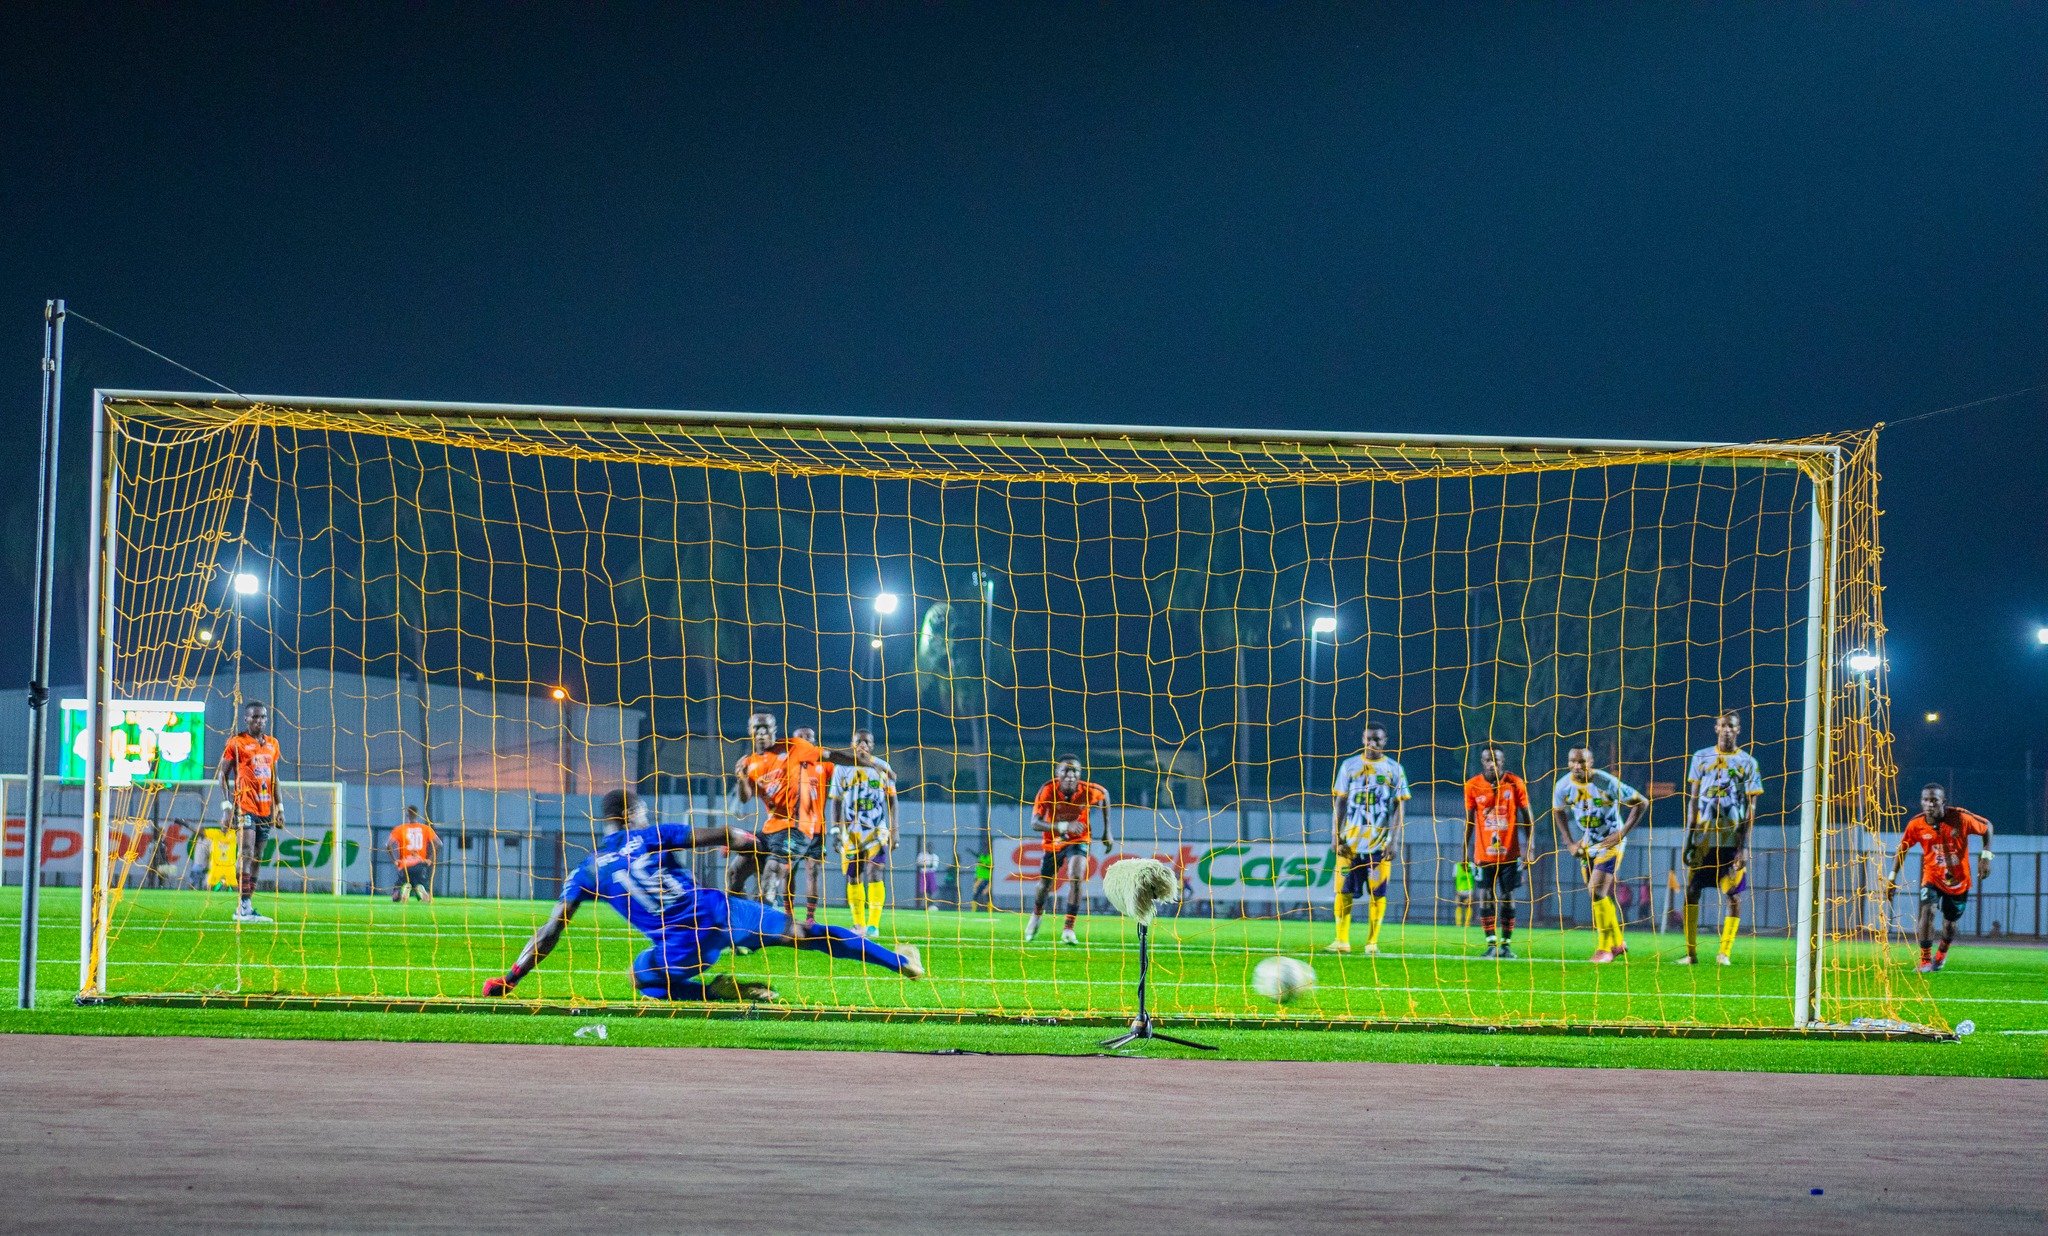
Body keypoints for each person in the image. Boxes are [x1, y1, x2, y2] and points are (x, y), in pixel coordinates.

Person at [483, 788, 923, 1002]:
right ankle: (901, 962)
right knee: (806, 933)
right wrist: (760, 847)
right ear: (631, 815)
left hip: (680, 948)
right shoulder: (653, 834)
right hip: (719, 912)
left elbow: (549, 933)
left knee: (643, 979)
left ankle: (714, 992)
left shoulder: (586, 871)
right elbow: (726, 834)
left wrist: (511, 977)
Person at [1679, 711, 1765, 966]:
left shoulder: (1748, 763)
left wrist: (1743, 847)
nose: (1727, 729)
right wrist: (1689, 839)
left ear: (1738, 730)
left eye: (1732, 726)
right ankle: (1691, 953)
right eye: (1723, 725)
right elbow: (1693, 800)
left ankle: (1724, 953)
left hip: (1731, 842)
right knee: (1692, 892)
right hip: (1705, 841)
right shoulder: (1701, 757)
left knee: (1734, 896)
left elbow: (1751, 808)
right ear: (1716, 728)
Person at [1884, 783, 1995, 974]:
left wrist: (1986, 856)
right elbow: (1902, 849)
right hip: (1932, 877)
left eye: (1934, 800)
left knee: (1949, 924)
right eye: (1925, 800)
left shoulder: (1960, 818)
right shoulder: (1916, 824)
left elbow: (1988, 827)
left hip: (1958, 881)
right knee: (1927, 911)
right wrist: (1892, 877)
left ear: (1943, 802)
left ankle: (1941, 955)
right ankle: (1925, 961)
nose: (1929, 804)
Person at [1551, 746, 1647, 963]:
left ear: (1591, 763)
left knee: (1597, 891)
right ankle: (1619, 943)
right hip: (1588, 845)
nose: (1577, 766)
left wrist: (1621, 834)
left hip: (1611, 843)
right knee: (1598, 896)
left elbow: (1642, 802)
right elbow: (1558, 812)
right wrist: (1569, 843)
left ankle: (1604, 950)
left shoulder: (1606, 782)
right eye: (1572, 761)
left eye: (1582, 762)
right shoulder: (1563, 786)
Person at [1328, 723, 1410, 956]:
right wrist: (1335, 836)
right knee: (1342, 891)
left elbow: (1399, 807)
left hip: (1379, 846)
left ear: (1385, 741)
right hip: (1350, 846)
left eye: (1377, 739)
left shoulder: (1394, 769)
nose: (1372, 744)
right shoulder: (1349, 766)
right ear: (1363, 739)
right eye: (1369, 739)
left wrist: (1394, 841)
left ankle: (1372, 942)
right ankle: (1341, 940)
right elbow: (1340, 803)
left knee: (1378, 893)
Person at [1027, 756, 1113, 945]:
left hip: (1079, 839)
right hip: (1053, 841)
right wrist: (1065, 826)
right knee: (1044, 885)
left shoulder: (1088, 790)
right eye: (1066, 770)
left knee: (1076, 876)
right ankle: (1036, 915)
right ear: (1058, 774)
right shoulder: (1048, 789)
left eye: (1075, 771)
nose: (1070, 774)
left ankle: (1068, 928)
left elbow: (1104, 795)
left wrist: (1107, 831)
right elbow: (1035, 823)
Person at [1463, 744, 1535, 959]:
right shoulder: (1472, 785)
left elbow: (1528, 819)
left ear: (1503, 762)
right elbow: (1468, 821)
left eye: (1496, 760)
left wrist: (1530, 847)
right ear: (1482, 762)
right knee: (1485, 896)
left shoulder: (1515, 783)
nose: (1492, 764)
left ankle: (1506, 945)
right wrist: (1464, 849)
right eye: (1487, 760)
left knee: (1508, 896)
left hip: (1510, 855)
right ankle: (1491, 944)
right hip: (1483, 855)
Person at [216, 701, 281, 924]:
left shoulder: (273, 744)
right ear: (246, 719)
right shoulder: (236, 743)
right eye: (254, 717)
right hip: (245, 805)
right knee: (245, 851)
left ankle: (247, 906)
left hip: (266, 808)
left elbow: (274, 778)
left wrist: (279, 807)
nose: (259, 721)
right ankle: (242, 906)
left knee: (258, 856)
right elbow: (221, 775)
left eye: (262, 717)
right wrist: (226, 808)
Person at [830, 728, 896, 939]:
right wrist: (835, 830)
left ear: (873, 745)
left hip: (877, 830)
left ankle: (873, 925)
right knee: (853, 876)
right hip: (851, 833)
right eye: (859, 741)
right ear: (852, 744)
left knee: (876, 872)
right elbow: (836, 801)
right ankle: (858, 924)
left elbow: (892, 801)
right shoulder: (842, 769)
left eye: (867, 742)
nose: (863, 745)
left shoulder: (882, 768)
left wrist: (895, 831)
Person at [726, 712, 782, 897]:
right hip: (771, 830)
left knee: (769, 884)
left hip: (795, 830)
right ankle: (739, 920)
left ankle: (787, 916)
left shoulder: (788, 753)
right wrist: (742, 779)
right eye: (757, 727)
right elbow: (744, 798)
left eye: (766, 727)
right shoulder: (749, 763)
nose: (762, 732)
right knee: (734, 874)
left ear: (774, 729)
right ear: (750, 730)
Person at [789, 727, 835, 926]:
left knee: (812, 872)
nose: (806, 740)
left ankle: (810, 918)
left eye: (810, 738)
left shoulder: (825, 765)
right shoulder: (787, 764)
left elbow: (845, 771)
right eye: (801, 737)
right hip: (792, 827)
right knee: (787, 871)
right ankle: (787, 914)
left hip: (817, 829)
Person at [388, 805, 440, 904]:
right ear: (417, 815)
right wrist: (430, 859)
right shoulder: (425, 828)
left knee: (395, 897)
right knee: (423, 889)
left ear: (407, 815)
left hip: (405, 864)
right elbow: (439, 843)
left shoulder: (399, 829)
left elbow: (388, 845)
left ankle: (403, 889)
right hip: (420, 863)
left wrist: (394, 860)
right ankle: (420, 890)